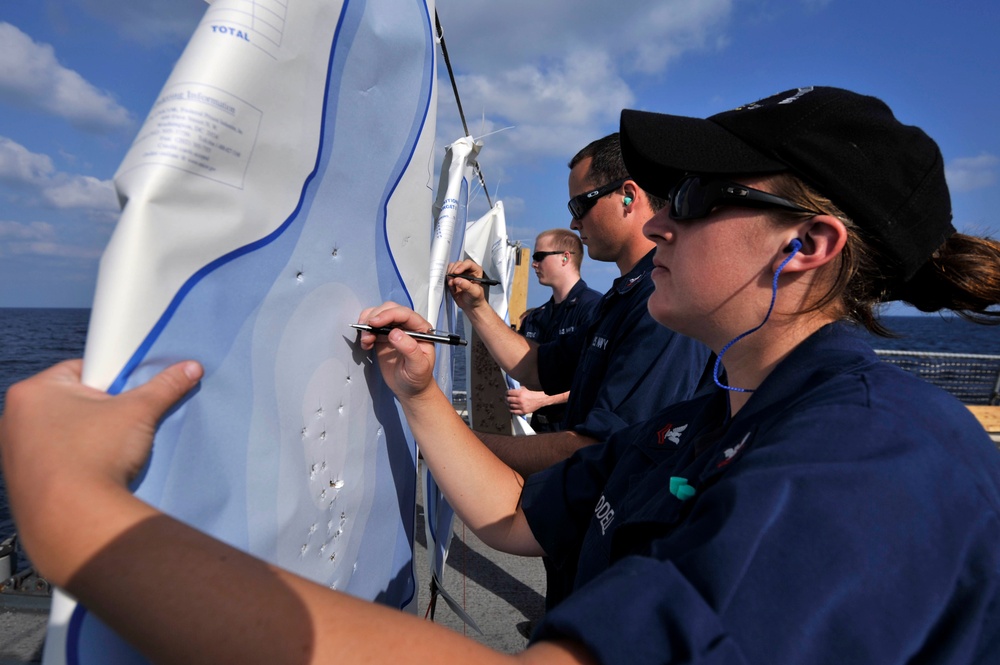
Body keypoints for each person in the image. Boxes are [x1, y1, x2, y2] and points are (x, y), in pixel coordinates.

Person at [3, 85, 1000, 664]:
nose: (662, 218)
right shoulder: (710, 417)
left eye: (696, 194)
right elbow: (517, 520)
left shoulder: (873, 458)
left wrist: (75, 513)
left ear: (806, 247)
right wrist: (419, 392)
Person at [447, 134, 712, 477]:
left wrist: (458, 440)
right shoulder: (621, 298)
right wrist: (476, 305)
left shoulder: (662, 300)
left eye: (579, 206)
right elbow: (535, 367)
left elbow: (602, 447)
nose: (574, 223)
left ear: (628, 197)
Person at [506, 228, 601, 432]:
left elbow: (596, 379)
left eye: (539, 256)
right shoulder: (535, 317)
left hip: (574, 430)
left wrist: (541, 399)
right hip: (538, 429)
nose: (534, 264)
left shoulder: (595, 310)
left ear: (565, 258)